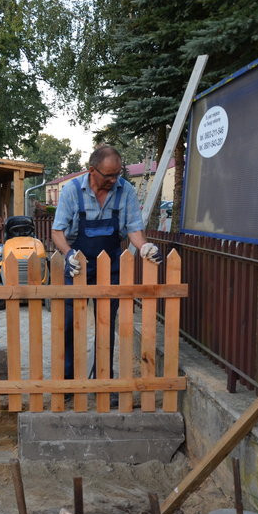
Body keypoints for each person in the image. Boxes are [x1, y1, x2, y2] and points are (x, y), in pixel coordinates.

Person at [51, 146, 163, 386]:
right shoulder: (72, 191)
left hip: (110, 267)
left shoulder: (126, 190)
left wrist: (143, 246)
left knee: (106, 324)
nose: (114, 180)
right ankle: (68, 380)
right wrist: (68, 253)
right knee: (71, 325)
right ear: (92, 170)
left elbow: (133, 227)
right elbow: (57, 230)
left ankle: (104, 379)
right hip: (76, 268)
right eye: (109, 175)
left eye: (117, 174)